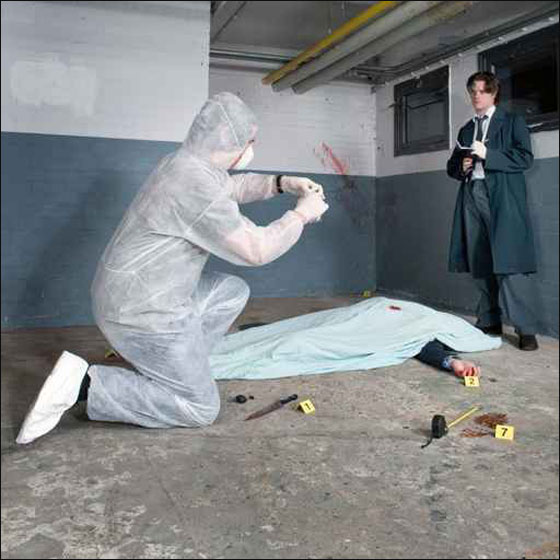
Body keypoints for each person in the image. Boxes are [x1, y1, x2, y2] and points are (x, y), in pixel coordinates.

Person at [16, 92, 329, 445]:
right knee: (200, 407)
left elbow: (231, 186)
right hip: (141, 311)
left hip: (131, 291)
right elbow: (256, 249)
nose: (252, 147)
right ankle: (85, 384)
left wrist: (281, 183)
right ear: (233, 141)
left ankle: (176, 367)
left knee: (230, 292)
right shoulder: (195, 186)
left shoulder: (184, 163)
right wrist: (301, 214)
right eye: (251, 141)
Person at [447, 71, 539, 351]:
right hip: (472, 194)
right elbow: (452, 167)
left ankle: (525, 329)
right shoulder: (466, 129)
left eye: (482, 91)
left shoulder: (512, 122)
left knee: (509, 263)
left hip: (502, 197)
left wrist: (489, 155)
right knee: (480, 261)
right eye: (473, 91)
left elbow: (525, 158)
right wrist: (461, 166)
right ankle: (489, 320)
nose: (477, 96)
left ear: (493, 93)